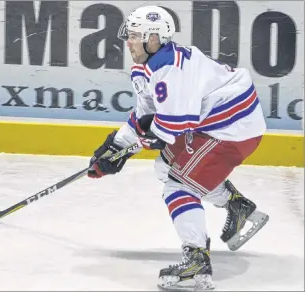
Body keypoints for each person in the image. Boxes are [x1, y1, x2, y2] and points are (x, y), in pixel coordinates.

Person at [86, 5, 270, 291]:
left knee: (178, 186)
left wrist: (125, 153)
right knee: (165, 166)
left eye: (135, 35)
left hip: (233, 129)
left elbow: (169, 129)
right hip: (214, 125)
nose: (128, 41)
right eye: (130, 34)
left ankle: (197, 262)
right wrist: (115, 146)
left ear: (154, 39)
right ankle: (235, 204)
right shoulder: (147, 66)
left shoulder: (171, 69)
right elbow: (145, 115)